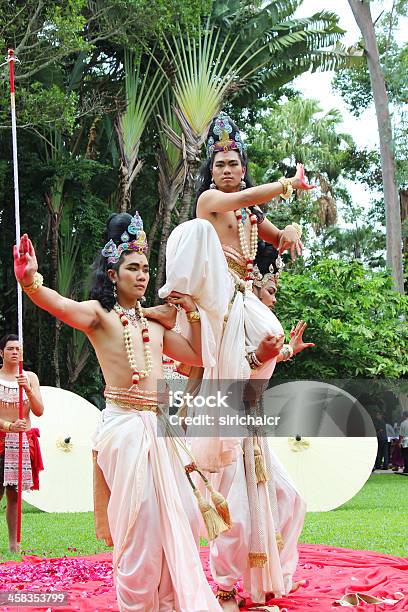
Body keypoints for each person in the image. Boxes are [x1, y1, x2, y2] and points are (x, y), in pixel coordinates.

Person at [13, 212, 223, 612]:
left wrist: (192, 311)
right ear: (113, 274)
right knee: (139, 527)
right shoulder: (98, 316)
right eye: (132, 268)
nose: (142, 276)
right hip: (124, 429)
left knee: (181, 520)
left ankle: (169, 602)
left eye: (145, 268)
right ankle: (136, 605)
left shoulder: (156, 322)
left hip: (161, 430)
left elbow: (196, 356)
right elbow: (57, 303)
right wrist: (30, 281)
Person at [158, 112, 314, 609]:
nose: (227, 170)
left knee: (269, 338)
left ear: (242, 166)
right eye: (219, 163)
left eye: (234, 163)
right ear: (212, 172)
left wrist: (288, 233)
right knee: (248, 348)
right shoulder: (212, 202)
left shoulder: (250, 216)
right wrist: (283, 185)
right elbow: (245, 199)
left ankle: (243, 380)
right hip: (218, 300)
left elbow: (277, 239)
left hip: (244, 299)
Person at [0, 334, 44, 552]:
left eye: (18, 349)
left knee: (14, 494)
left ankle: (13, 544)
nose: (15, 352)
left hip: (21, 441)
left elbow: (39, 411)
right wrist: (8, 426)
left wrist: (27, 389)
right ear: (1, 353)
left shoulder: (30, 377)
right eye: (10, 349)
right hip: (2, 437)